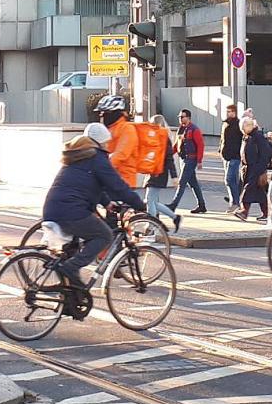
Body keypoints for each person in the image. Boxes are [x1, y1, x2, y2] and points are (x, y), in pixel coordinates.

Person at [42, 122, 147, 288]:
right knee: (104, 235)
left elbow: (88, 184)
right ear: (100, 142)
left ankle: (71, 292)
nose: (107, 146)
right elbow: (116, 185)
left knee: (73, 248)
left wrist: (107, 203)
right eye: (106, 142)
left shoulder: (78, 156)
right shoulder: (97, 158)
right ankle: (70, 268)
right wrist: (138, 203)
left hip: (54, 207)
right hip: (71, 211)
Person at [144, 115, 182, 232]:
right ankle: (175, 217)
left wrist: (174, 176)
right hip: (154, 172)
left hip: (159, 173)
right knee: (153, 201)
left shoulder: (163, 138)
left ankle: (151, 226)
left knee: (149, 200)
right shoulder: (156, 137)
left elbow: (169, 159)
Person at [237, 110, 272, 222]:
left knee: (247, 190)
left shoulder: (257, 137)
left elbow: (265, 153)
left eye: (245, 127)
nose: (243, 129)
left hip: (256, 169)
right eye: (242, 127)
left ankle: (244, 212)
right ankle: (266, 213)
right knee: (260, 193)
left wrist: (260, 168)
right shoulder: (247, 136)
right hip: (248, 169)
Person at [94, 95, 139, 187]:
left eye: (105, 113)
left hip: (123, 181)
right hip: (107, 179)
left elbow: (122, 154)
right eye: (101, 114)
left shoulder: (127, 128)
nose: (102, 116)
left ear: (115, 113)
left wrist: (101, 168)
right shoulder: (107, 128)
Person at [169, 109, 207, 214]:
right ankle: (202, 205)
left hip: (190, 159)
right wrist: (168, 154)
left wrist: (199, 161)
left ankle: (173, 205)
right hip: (183, 159)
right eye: (179, 117)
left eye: (182, 117)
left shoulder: (194, 129)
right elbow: (177, 145)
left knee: (182, 182)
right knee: (193, 183)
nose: (180, 119)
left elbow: (200, 145)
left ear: (188, 118)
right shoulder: (181, 129)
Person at [219, 104, 243, 212]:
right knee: (233, 180)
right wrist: (220, 149)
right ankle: (235, 202)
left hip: (235, 156)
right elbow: (222, 138)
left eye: (230, 111)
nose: (228, 113)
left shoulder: (238, 124)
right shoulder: (225, 123)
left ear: (235, 112)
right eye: (227, 111)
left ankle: (235, 202)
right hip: (226, 155)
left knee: (229, 179)